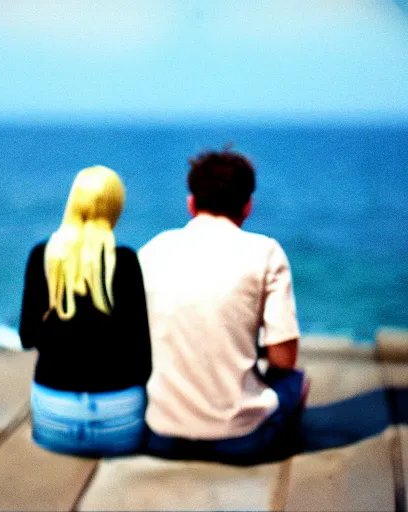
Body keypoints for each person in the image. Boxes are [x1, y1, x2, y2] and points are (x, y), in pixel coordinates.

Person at [138, 148, 308, 465]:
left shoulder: (152, 250)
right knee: (297, 381)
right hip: (242, 441)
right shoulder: (266, 253)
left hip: (161, 435)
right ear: (248, 205)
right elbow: (284, 359)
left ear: (191, 203)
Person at [19, 165, 151, 457]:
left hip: (55, 418)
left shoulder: (42, 256)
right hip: (119, 421)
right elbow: (143, 359)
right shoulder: (126, 262)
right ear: (115, 206)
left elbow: (27, 337)